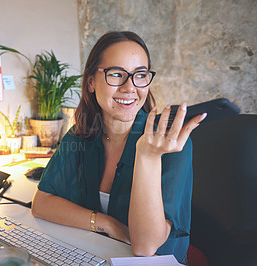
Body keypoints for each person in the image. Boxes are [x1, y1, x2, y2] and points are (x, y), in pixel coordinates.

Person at [31, 31, 207, 263]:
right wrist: (105, 223)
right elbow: (42, 203)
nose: (130, 87)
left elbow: (145, 246)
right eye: (116, 74)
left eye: (140, 75)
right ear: (91, 81)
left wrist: (147, 156)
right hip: (98, 254)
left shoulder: (170, 143)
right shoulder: (81, 134)